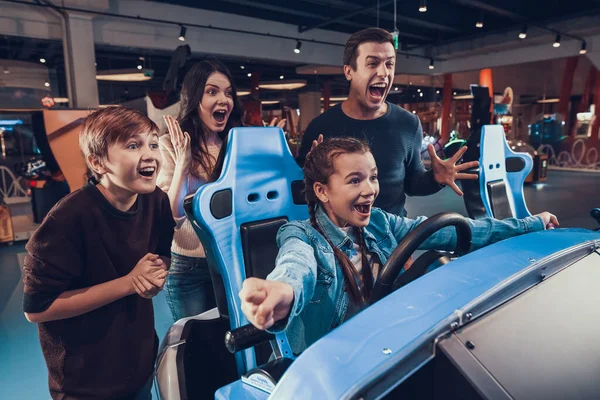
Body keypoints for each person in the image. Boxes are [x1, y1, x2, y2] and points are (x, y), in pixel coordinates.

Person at [240, 137, 558, 354]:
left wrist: (533, 223)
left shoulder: (380, 222)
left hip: (383, 346)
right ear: (323, 191)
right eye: (354, 180)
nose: (370, 190)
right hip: (330, 363)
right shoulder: (302, 235)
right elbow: (296, 265)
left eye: (373, 178)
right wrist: (285, 290)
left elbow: (463, 231)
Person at [22, 107, 175, 399]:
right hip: (85, 381)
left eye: (153, 143)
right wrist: (129, 283)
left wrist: (153, 278)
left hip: (139, 363)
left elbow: (160, 256)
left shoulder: (156, 201)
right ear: (98, 162)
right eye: (133, 145)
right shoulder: (66, 219)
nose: (150, 154)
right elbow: (36, 308)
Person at [296, 27, 478, 217]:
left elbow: (412, 184)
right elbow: (301, 193)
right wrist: (310, 176)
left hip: (394, 237)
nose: (383, 72)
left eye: (389, 64)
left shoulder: (408, 123)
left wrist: (435, 178)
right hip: (338, 238)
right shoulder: (321, 127)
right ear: (349, 71)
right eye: (373, 63)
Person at [158, 60, 286, 321]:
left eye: (228, 93)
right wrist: (183, 163)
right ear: (195, 98)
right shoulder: (170, 144)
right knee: (198, 345)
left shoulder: (240, 142)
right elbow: (171, 215)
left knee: (237, 339)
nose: (224, 100)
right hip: (188, 266)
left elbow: (259, 199)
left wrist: (272, 155)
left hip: (234, 257)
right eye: (212, 91)